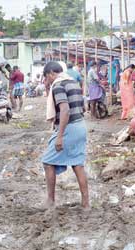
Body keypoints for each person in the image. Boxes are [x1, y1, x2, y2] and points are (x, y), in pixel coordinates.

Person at [41, 62, 89, 210]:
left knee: (48, 162)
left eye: (45, 77)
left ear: (50, 74)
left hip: (70, 127)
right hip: (81, 125)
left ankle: (50, 200)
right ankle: (86, 203)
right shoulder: (73, 82)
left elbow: (65, 110)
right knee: (77, 164)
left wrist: (60, 135)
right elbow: (83, 106)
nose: (46, 81)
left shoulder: (58, 85)